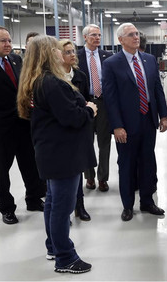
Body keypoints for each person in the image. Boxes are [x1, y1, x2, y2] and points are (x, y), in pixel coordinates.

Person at [17, 35, 97, 274]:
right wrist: (89, 109)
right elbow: (71, 117)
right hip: (63, 153)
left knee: (53, 202)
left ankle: (53, 246)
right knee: (62, 206)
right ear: (48, 54)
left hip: (52, 150)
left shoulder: (39, 80)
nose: (62, 54)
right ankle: (65, 258)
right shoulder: (51, 82)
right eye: (57, 50)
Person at [102, 23, 167, 221]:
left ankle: (147, 201)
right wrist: (117, 126)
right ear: (121, 40)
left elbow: (157, 89)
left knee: (148, 162)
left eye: (137, 34)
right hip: (126, 124)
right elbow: (110, 98)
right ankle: (128, 206)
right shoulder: (112, 63)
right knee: (127, 164)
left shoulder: (148, 60)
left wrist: (163, 115)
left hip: (148, 119)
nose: (136, 37)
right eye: (131, 35)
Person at [0, 26, 45, 225]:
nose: (8, 44)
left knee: (30, 165)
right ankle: (7, 208)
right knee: (3, 170)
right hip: (2, 127)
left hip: (24, 123)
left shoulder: (16, 60)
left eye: (9, 40)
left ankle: (33, 199)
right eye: (3, 41)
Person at [59, 39, 92, 221]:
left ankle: (79, 206)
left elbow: (86, 100)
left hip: (79, 128)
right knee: (63, 175)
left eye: (73, 51)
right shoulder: (54, 79)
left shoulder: (80, 76)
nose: (72, 55)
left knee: (78, 170)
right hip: (62, 132)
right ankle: (64, 211)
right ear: (58, 55)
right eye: (67, 52)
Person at [77, 24, 113, 192]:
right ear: (85, 37)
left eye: (99, 35)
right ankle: (89, 177)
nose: (97, 38)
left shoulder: (107, 56)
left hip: (103, 103)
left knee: (104, 142)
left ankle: (103, 178)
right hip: (84, 103)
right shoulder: (76, 56)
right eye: (93, 35)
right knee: (86, 142)